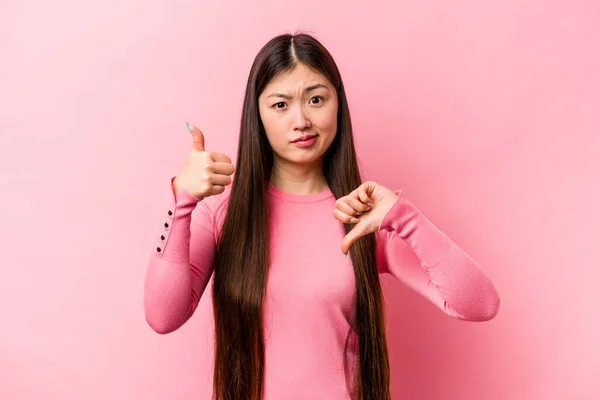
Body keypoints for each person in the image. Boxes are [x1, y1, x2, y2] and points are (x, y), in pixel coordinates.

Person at [143, 32, 500, 400]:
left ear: (338, 105)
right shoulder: (224, 215)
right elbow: (162, 316)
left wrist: (404, 218)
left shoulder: (365, 217)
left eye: (316, 99)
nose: (301, 120)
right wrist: (182, 200)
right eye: (280, 105)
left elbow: (479, 304)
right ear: (258, 116)